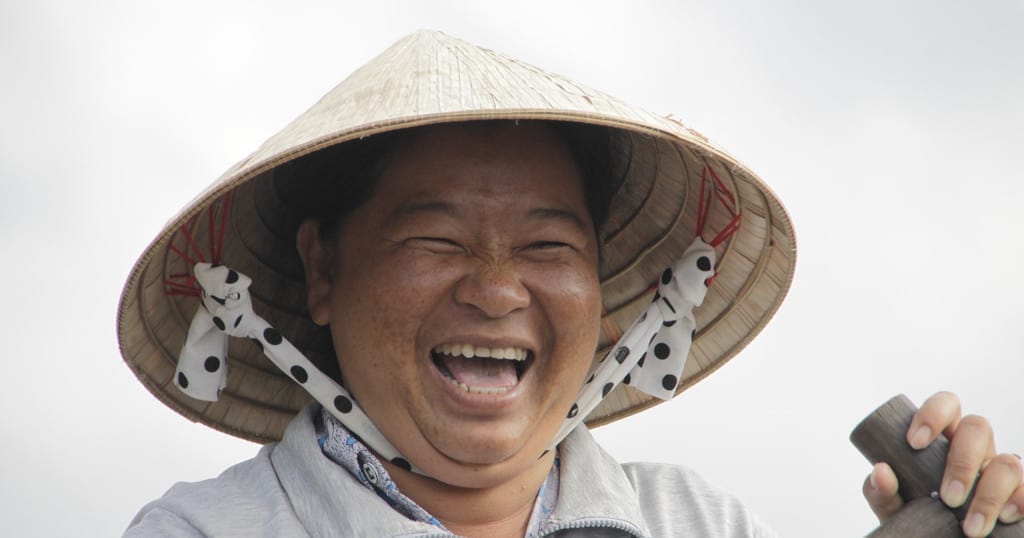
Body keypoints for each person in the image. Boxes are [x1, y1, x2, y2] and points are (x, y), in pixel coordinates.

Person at [119, 31, 1022, 537]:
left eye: (549, 248)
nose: (499, 289)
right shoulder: (204, 534)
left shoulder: (697, 524)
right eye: (437, 236)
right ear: (323, 270)